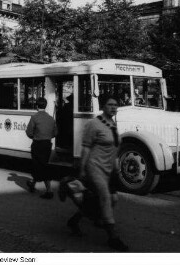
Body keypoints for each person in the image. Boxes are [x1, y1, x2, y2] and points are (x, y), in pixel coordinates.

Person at [66, 95, 128, 252]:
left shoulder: (113, 124)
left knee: (113, 198)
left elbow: (113, 147)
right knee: (105, 198)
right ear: (103, 106)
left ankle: (74, 221)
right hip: (94, 167)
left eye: (116, 105)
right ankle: (113, 238)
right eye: (110, 104)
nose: (113, 107)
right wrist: (82, 169)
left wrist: (116, 167)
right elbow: (86, 147)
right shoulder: (94, 124)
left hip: (108, 169)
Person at [26, 97, 57, 199]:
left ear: (36, 106)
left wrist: (35, 137)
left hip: (38, 144)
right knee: (40, 165)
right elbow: (55, 133)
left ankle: (49, 191)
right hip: (47, 145)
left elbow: (29, 132)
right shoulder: (51, 118)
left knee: (40, 166)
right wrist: (47, 136)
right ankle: (32, 184)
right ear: (45, 106)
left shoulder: (34, 117)